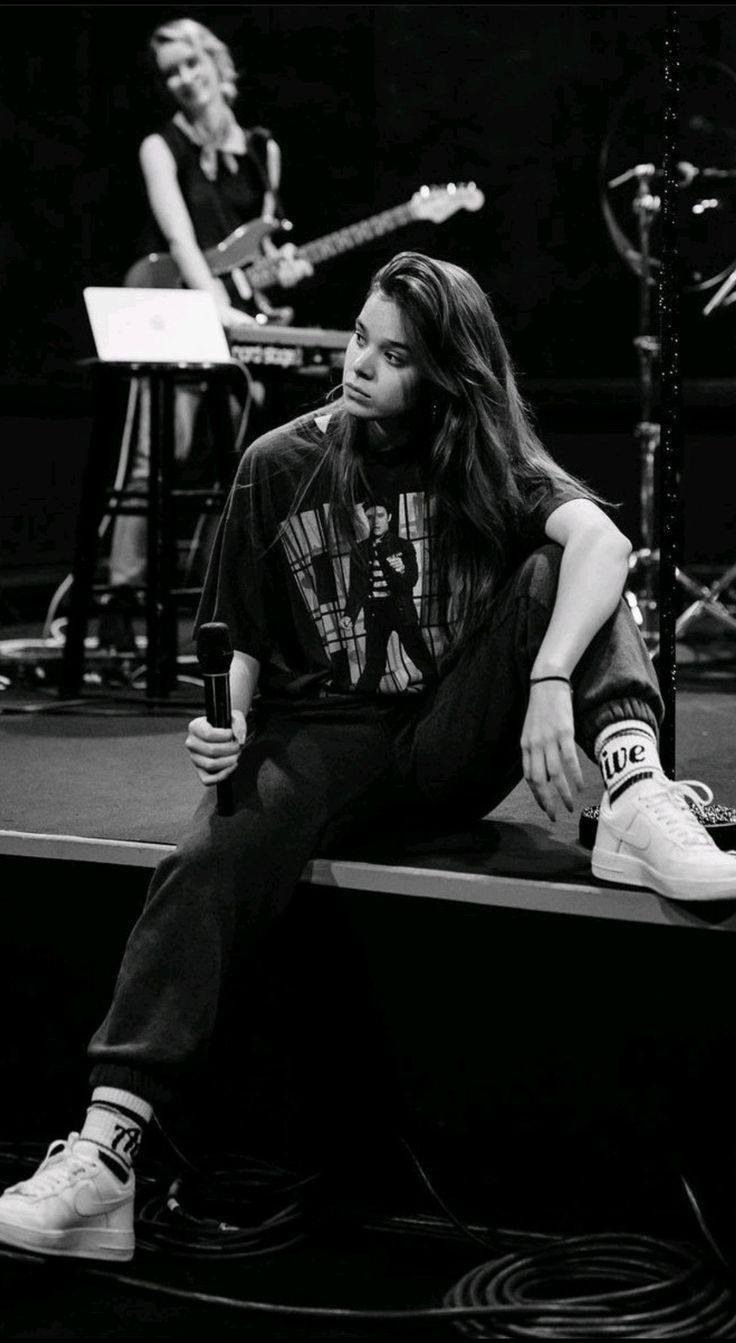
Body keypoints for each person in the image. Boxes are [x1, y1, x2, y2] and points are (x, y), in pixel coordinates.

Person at [3, 250, 736, 1262]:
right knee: (202, 863)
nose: (360, 365)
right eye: (359, 339)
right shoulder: (279, 460)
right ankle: (104, 1153)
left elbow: (604, 545)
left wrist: (550, 677)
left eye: (393, 356)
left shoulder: (476, 451)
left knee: (560, 563)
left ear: (440, 373)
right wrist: (226, 719)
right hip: (323, 736)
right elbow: (243, 638)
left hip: (448, 732)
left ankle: (633, 787)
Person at [103, 17, 312, 639]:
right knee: (152, 459)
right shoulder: (160, 146)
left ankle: (230, 604)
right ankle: (121, 602)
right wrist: (212, 299)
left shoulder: (262, 148)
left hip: (234, 323)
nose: (183, 80)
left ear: (215, 62)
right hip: (173, 307)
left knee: (246, 458)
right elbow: (180, 236)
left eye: (190, 64)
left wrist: (282, 275)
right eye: (170, 72)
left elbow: (261, 255)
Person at [340, 497, 436, 691]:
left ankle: (438, 692)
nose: (375, 521)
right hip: (375, 613)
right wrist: (349, 614)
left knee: (419, 655)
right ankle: (362, 703)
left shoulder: (404, 546)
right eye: (370, 517)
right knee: (374, 664)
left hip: (400, 609)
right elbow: (357, 589)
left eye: (381, 515)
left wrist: (401, 570)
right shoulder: (359, 550)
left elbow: (412, 580)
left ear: (389, 517)